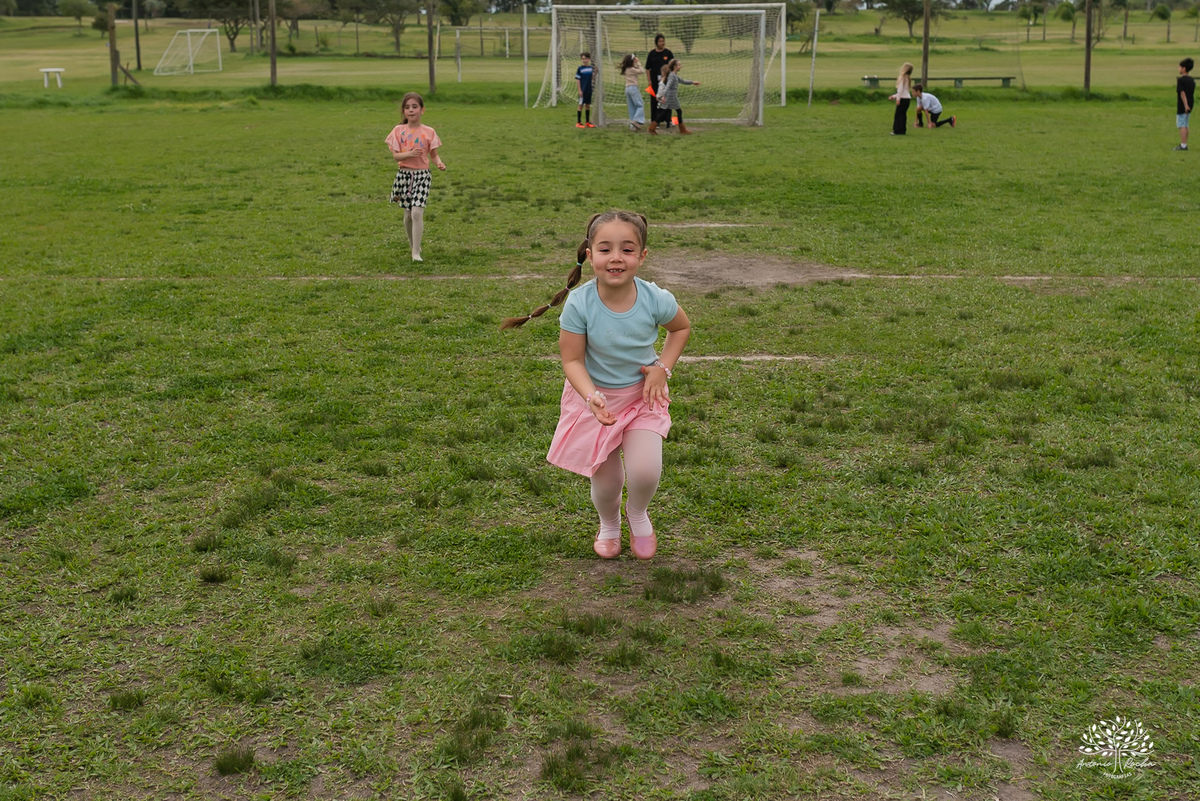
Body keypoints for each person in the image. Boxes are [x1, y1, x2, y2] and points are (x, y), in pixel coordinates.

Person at [501, 211, 691, 561]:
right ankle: (609, 524)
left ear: (643, 256)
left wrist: (662, 368)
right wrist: (591, 397)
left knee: (645, 471)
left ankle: (637, 514)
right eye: (605, 249)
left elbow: (681, 328)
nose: (616, 257)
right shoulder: (580, 303)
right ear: (590, 255)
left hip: (641, 396)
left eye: (627, 249)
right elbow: (572, 361)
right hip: (595, 401)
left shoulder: (656, 299)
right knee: (607, 482)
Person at [384, 92, 446, 262]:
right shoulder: (398, 131)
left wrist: (439, 162)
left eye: (414, 107)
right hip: (404, 176)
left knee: (417, 212)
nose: (411, 110)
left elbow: (433, 154)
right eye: (407, 107)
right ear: (403, 111)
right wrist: (409, 154)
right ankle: (413, 246)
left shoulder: (429, 132)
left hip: (422, 176)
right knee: (408, 215)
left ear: (422, 110)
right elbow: (396, 157)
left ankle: (415, 253)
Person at [648, 59, 699, 136]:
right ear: (675, 66)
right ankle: (682, 130)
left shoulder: (673, 75)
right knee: (676, 112)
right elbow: (667, 87)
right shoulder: (672, 76)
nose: (680, 66)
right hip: (671, 97)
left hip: (671, 97)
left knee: (665, 112)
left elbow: (682, 81)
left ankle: (652, 128)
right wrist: (664, 96)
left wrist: (692, 82)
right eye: (679, 65)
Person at [645, 34, 674, 129]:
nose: (662, 43)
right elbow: (647, 68)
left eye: (663, 41)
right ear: (656, 42)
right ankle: (655, 120)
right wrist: (649, 80)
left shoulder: (668, 53)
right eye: (660, 41)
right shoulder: (652, 54)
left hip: (666, 80)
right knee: (655, 100)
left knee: (667, 99)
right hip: (654, 81)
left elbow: (672, 66)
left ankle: (668, 120)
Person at [620, 53, 647, 131]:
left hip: (627, 88)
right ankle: (636, 120)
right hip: (633, 88)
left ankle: (633, 126)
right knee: (640, 105)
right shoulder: (631, 69)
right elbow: (642, 71)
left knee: (631, 107)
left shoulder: (626, 69)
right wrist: (638, 62)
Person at [889, 62, 913, 136]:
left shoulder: (902, 77)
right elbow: (904, 91)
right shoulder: (908, 78)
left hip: (902, 98)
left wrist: (898, 99)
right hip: (907, 98)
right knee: (903, 115)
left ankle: (896, 130)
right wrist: (894, 96)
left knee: (898, 115)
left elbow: (900, 89)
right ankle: (902, 129)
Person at [1176, 57, 1195, 151]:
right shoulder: (1191, 80)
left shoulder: (1181, 80)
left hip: (1183, 105)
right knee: (1186, 124)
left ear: (1184, 69)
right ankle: (1184, 143)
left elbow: (1182, 93)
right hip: (1191, 103)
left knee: (1181, 124)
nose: (1178, 69)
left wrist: (1185, 105)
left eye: (1180, 67)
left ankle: (1183, 145)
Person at [575, 52, 597, 128]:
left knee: (588, 105)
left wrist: (595, 73)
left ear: (589, 59)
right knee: (581, 105)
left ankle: (587, 122)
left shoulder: (591, 68)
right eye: (583, 59)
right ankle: (578, 122)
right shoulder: (580, 69)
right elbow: (577, 79)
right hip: (582, 90)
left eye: (585, 59)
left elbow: (592, 78)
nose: (584, 60)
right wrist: (579, 90)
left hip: (589, 89)